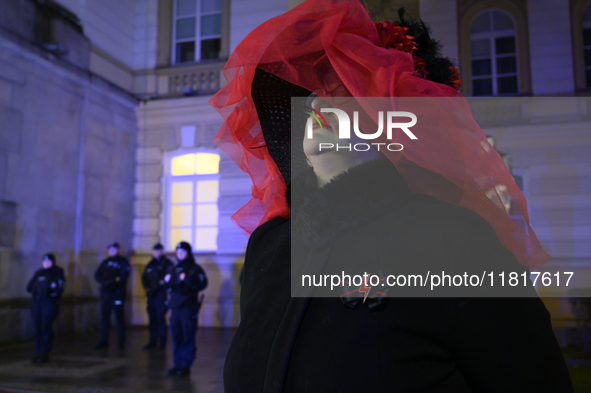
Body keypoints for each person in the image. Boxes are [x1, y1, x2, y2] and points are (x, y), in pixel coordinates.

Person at [209, 0, 575, 391]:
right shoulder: (270, 245)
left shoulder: (455, 244)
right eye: (310, 91)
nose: (317, 106)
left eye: (345, 89)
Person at [164, 241, 208, 377]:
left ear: (188, 253)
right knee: (176, 336)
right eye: (178, 252)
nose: (180, 254)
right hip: (176, 308)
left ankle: (185, 365)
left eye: (183, 252)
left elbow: (202, 284)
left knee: (188, 335)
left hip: (188, 308)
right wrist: (167, 282)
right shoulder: (173, 268)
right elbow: (170, 288)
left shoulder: (195, 268)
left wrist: (187, 279)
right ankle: (177, 365)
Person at [26, 253, 65, 363]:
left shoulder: (57, 272)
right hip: (38, 303)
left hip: (49, 303)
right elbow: (29, 287)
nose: (46, 263)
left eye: (49, 261)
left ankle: (45, 352)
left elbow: (59, 289)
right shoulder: (39, 273)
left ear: (53, 262)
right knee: (37, 328)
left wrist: (50, 294)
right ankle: (39, 352)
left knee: (45, 327)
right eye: (44, 261)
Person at [94, 242, 131, 350]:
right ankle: (104, 340)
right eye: (110, 249)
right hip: (106, 294)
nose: (112, 251)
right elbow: (97, 274)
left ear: (118, 250)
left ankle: (121, 342)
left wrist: (114, 282)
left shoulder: (122, 261)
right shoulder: (106, 262)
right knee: (105, 318)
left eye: (114, 249)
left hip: (117, 293)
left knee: (119, 318)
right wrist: (103, 282)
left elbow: (124, 275)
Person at [141, 242, 173, 350]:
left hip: (161, 295)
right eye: (154, 250)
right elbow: (144, 278)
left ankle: (162, 342)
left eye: (158, 250)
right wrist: (147, 288)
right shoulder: (150, 264)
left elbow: (167, 279)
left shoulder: (167, 263)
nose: (156, 252)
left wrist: (159, 286)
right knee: (152, 319)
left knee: (160, 319)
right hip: (151, 296)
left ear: (162, 251)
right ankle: (152, 341)